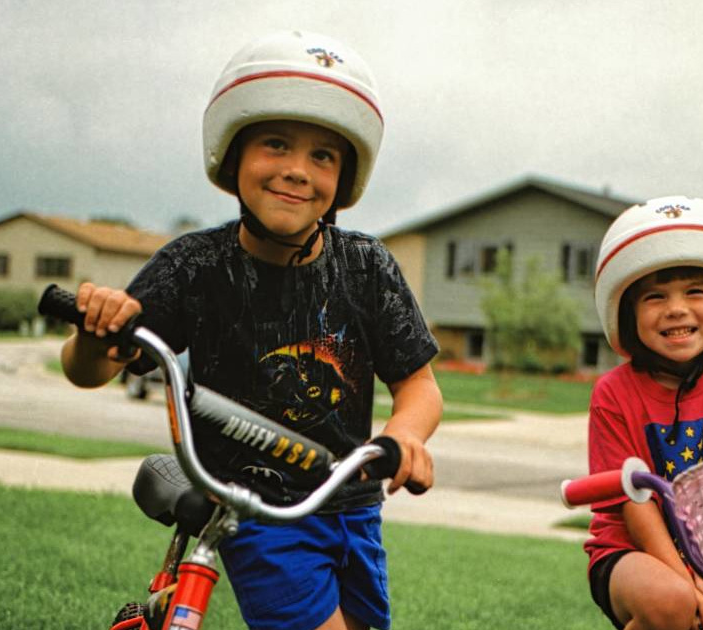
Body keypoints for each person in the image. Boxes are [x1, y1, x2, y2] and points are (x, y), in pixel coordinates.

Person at [59, 30, 442, 630]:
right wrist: (93, 333)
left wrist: (406, 435)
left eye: (323, 156)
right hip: (253, 507)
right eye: (275, 144)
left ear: (345, 178)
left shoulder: (367, 267)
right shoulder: (194, 266)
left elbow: (420, 385)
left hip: (354, 504)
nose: (296, 170)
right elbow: (91, 369)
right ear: (233, 153)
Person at [584, 196, 703, 630]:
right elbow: (632, 503)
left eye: (695, 291)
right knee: (672, 602)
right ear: (627, 311)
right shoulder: (614, 393)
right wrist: (688, 576)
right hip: (632, 551)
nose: (676, 308)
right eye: (654, 296)